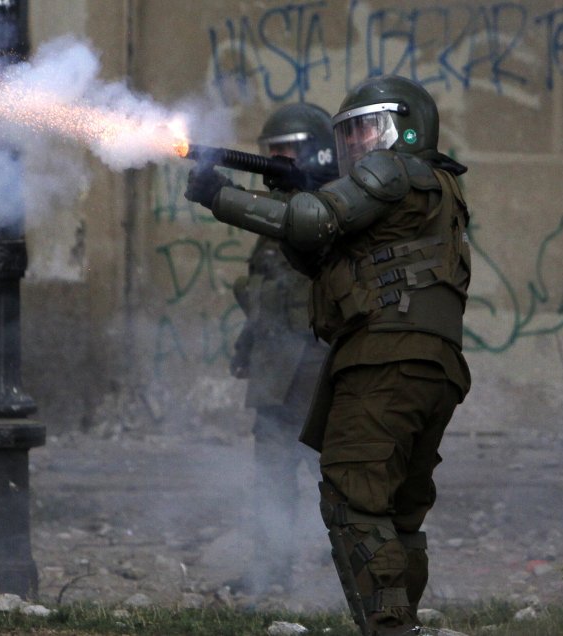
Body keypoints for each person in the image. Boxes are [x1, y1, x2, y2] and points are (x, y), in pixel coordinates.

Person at [185, 75, 472, 636]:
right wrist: (289, 201)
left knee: (354, 500)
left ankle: (389, 628)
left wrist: (220, 196)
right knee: (396, 514)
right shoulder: (433, 190)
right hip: (432, 364)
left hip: (383, 358)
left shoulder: (395, 171)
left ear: (407, 127)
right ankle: (401, 621)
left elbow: (314, 221)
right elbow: (326, 259)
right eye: (350, 133)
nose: (358, 144)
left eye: (368, 129)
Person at [228, 102, 337, 593]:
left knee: (335, 479)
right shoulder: (280, 215)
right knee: (271, 478)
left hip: (317, 372)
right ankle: (270, 570)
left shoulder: (330, 209)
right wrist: (246, 347)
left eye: (286, 152)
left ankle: (360, 574)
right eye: (271, 151)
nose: (276, 161)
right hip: (276, 373)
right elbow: (268, 292)